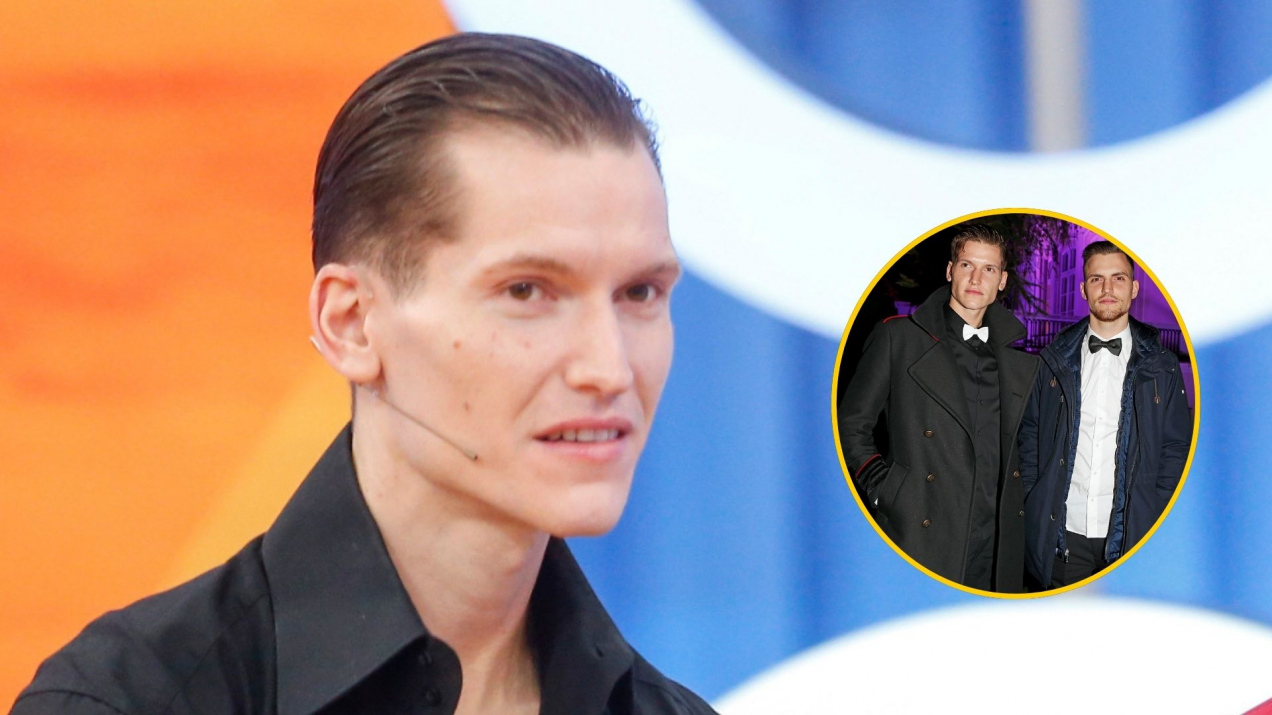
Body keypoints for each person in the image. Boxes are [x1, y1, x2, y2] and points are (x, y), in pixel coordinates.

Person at [14, 33, 716, 714]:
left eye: (640, 293)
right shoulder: (133, 699)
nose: (609, 368)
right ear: (350, 323)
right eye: (527, 291)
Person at [838, 224, 1039, 592]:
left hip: (995, 539)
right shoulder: (898, 339)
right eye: (967, 265)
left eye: (989, 269)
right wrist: (885, 489)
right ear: (950, 271)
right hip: (921, 528)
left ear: (1002, 281)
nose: (976, 278)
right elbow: (851, 425)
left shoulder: (1021, 363)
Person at [1019, 241, 1192, 590]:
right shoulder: (1052, 361)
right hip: (1063, 537)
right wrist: (1034, 497)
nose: (1108, 288)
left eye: (1118, 278)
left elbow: (1176, 448)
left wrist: (1156, 509)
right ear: (1084, 290)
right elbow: (1030, 436)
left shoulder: (1163, 366)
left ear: (1134, 288)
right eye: (1097, 279)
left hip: (1133, 537)